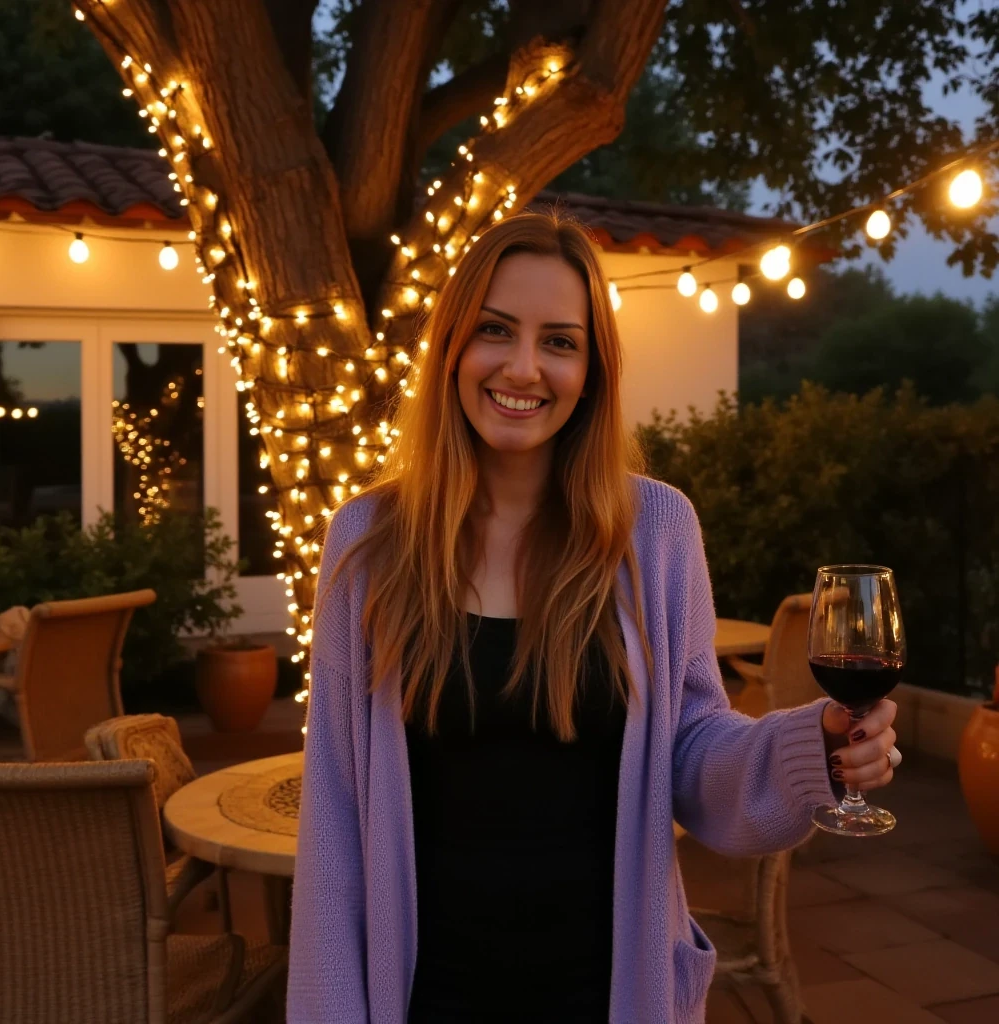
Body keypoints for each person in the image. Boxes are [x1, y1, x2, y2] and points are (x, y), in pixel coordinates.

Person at [287, 213, 899, 1024]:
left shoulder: (656, 530)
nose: (523, 367)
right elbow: (332, 822)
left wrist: (807, 745)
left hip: (608, 993)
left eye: (561, 342)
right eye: (495, 331)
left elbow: (692, 749)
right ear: (450, 350)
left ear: (594, 369)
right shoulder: (368, 541)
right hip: (429, 995)